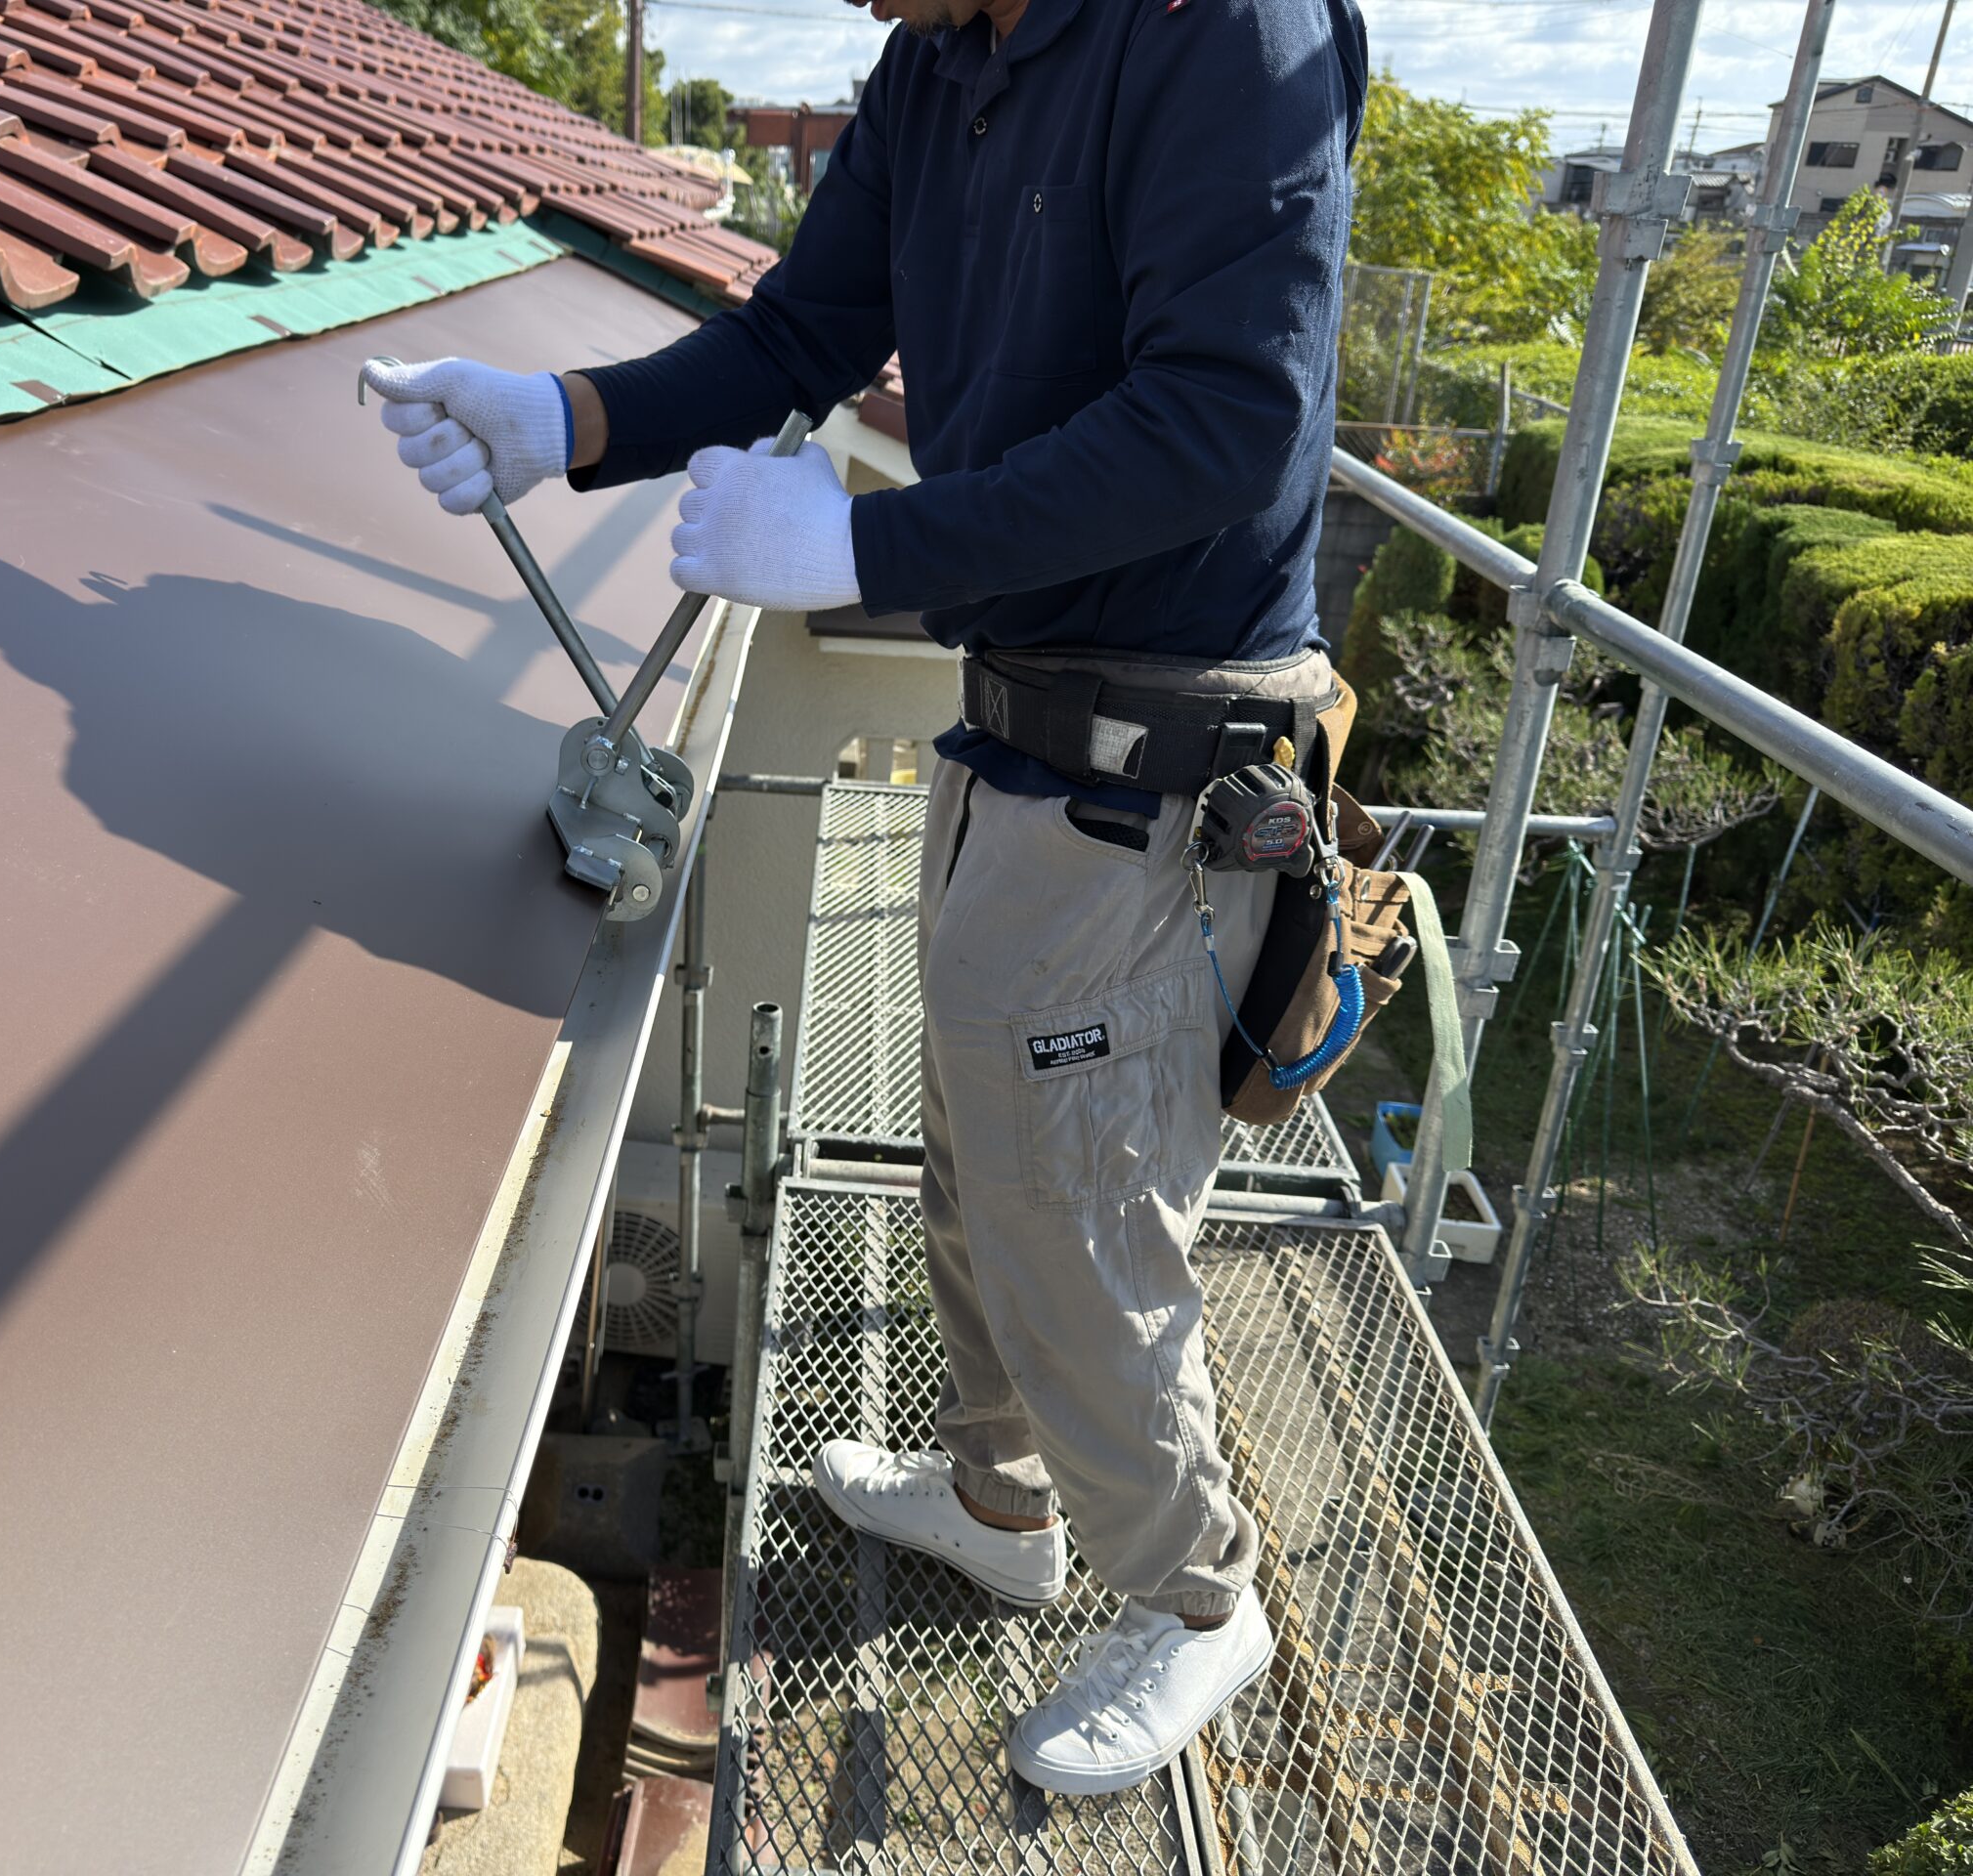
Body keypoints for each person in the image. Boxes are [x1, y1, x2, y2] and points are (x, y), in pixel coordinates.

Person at [364, 0, 1365, 1796]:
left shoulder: (1226, 30)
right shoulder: (941, 67)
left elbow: (1231, 417)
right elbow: (806, 333)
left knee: (1078, 1203)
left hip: (1162, 757)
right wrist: (561, 416)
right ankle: (1006, 1498)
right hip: (1019, 733)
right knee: (979, 1151)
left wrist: (863, 548)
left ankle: (1201, 1603)